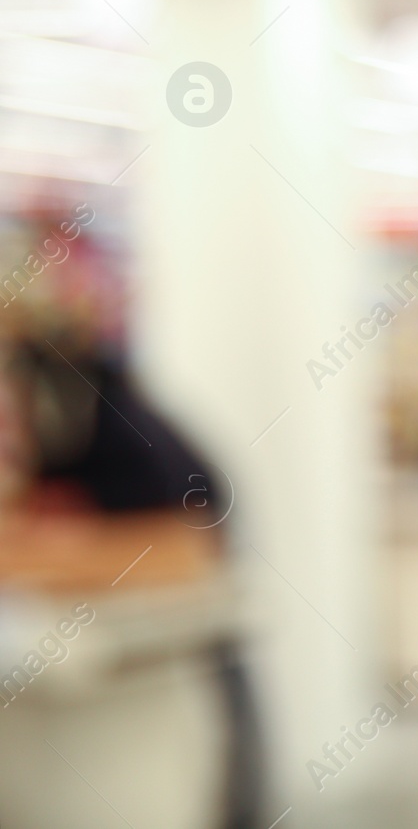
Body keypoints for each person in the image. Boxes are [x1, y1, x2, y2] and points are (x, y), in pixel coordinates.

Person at [0, 318, 264, 829]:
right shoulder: (72, 432)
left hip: (185, 646)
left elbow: (187, 550)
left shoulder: (118, 431)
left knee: (229, 779)